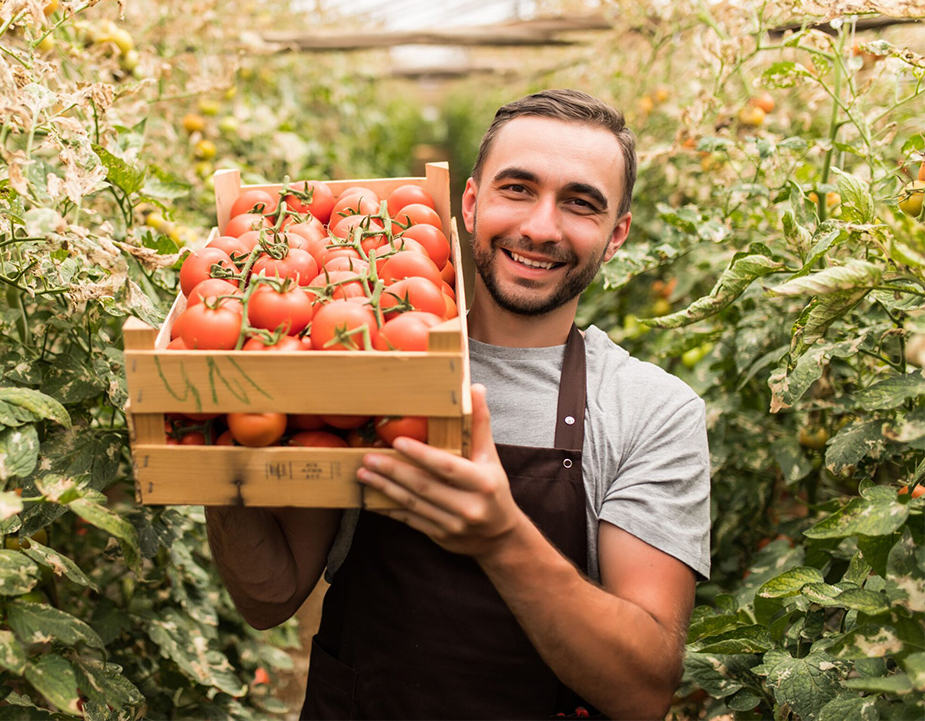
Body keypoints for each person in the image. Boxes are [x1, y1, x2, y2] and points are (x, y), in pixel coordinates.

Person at [206, 89, 711, 720]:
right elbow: (270, 596)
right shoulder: (363, 358)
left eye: (580, 204)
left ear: (616, 236)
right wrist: (215, 450)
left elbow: (643, 691)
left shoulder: (651, 412)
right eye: (517, 189)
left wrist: (501, 538)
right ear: (470, 204)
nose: (541, 227)